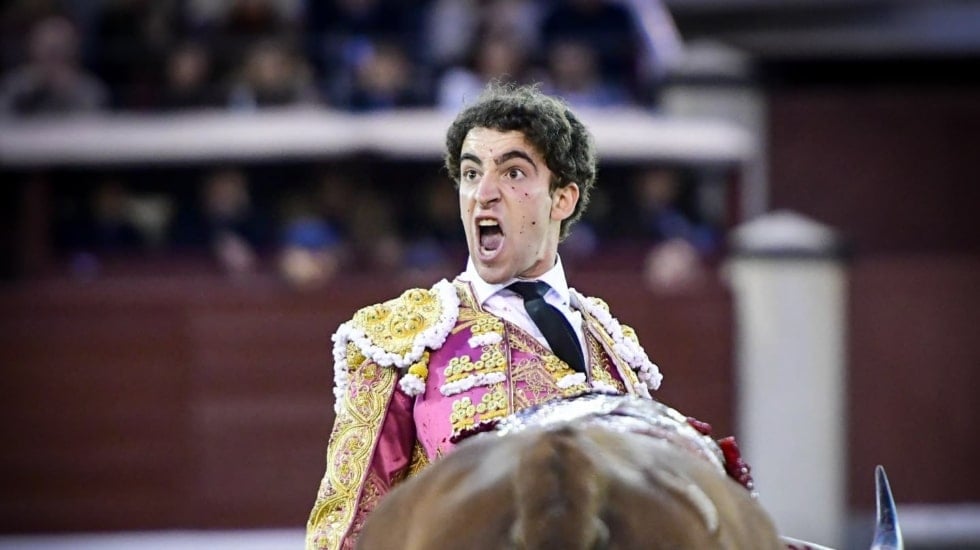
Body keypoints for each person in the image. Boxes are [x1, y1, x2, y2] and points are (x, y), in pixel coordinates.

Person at [305, 83, 663, 550]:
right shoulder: (402, 340)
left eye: (513, 173)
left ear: (562, 199)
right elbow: (346, 527)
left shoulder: (615, 348)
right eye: (471, 174)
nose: (484, 194)